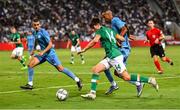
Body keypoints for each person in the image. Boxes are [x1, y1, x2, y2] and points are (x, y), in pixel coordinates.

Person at [79, 17, 159, 100]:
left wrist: (84, 49)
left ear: (95, 26)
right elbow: (122, 38)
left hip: (115, 57)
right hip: (111, 56)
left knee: (126, 77)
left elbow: (94, 41)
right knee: (95, 69)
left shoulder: (100, 31)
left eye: (92, 28)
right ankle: (92, 93)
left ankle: (149, 80)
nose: (93, 30)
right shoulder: (109, 30)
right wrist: (117, 42)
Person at [20, 18, 82, 90]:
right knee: (30, 65)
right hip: (43, 54)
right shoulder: (35, 33)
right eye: (35, 25)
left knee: (60, 69)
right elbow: (36, 41)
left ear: (40, 24)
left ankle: (77, 79)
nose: (36, 26)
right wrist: (33, 50)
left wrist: (43, 52)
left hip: (50, 54)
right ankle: (30, 84)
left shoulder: (44, 32)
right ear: (33, 25)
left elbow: (50, 45)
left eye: (38, 24)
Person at [101, 10, 144, 97]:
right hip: (120, 49)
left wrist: (118, 40)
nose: (104, 20)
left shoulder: (115, 20)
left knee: (104, 65)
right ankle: (137, 83)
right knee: (116, 72)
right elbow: (125, 27)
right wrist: (128, 35)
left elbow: (124, 28)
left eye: (104, 17)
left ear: (109, 15)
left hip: (122, 49)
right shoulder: (115, 22)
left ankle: (137, 83)